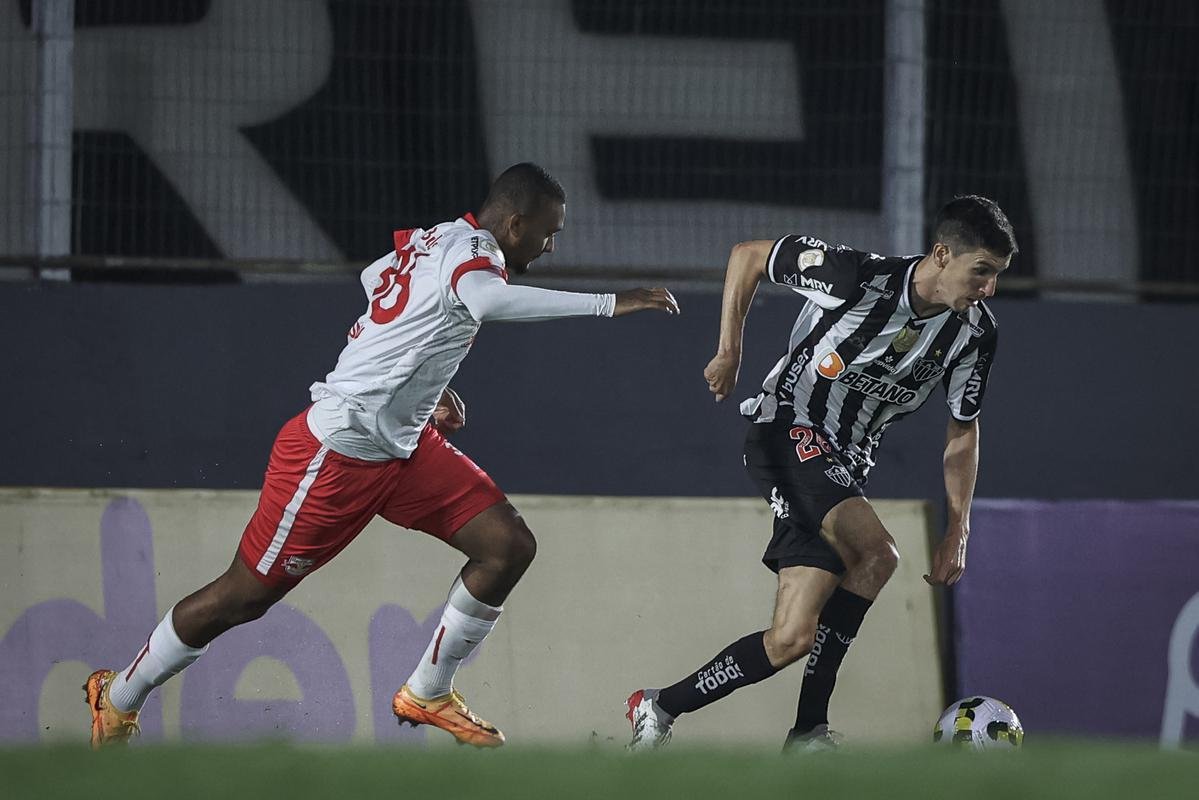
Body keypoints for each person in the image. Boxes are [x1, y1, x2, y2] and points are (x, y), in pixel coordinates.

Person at [84, 162, 679, 749]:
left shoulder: (440, 238)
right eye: (549, 232)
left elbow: (377, 282)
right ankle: (118, 698)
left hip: (405, 444)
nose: (550, 246)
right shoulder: (475, 261)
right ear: (516, 222)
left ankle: (428, 690)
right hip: (336, 452)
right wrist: (611, 302)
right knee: (243, 595)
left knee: (508, 546)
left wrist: (423, 382)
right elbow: (488, 302)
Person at [625, 195, 1016, 752]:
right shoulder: (856, 276)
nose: (988, 289)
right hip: (787, 430)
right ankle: (809, 733)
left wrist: (959, 528)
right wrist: (730, 350)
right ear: (942, 254)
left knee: (790, 638)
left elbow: (963, 431)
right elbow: (748, 256)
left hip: (843, 467)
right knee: (879, 553)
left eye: (997, 276)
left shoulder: (975, 333)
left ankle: (659, 705)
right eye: (981, 272)